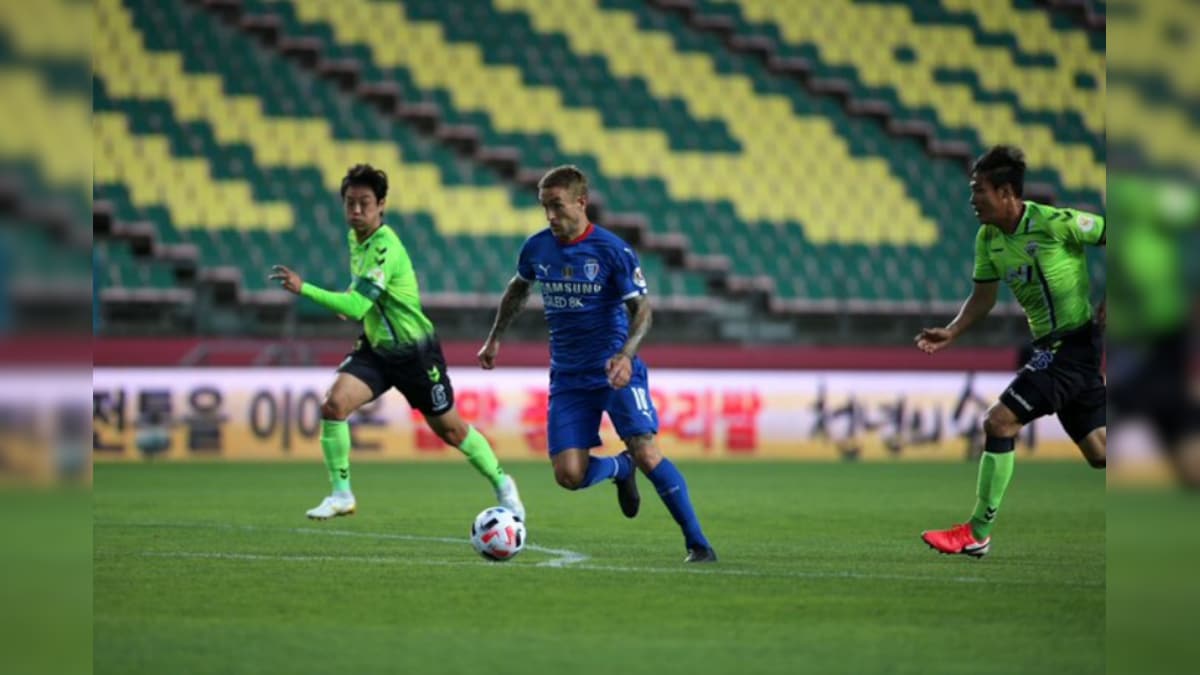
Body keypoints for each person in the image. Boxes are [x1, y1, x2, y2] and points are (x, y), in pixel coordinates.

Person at [477, 164, 716, 563]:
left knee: (648, 451)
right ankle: (620, 470)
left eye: (557, 206)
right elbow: (517, 289)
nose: (550, 216)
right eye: (544, 208)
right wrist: (495, 336)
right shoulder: (537, 248)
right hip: (569, 377)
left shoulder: (612, 250)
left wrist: (626, 355)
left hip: (615, 371)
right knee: (569, 475)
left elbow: (642, 310)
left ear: (581, 202)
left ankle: (698, 543)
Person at [269, 164, 524, 521]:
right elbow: (359, 295)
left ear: (381, 205)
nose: (356, 211)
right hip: (377, 349)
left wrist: (305, 288)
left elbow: (358, 305)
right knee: (333, 405)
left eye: (365, 204)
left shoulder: (385, 247)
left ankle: (503, 484)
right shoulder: (355, 239)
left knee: (452, 431)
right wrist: (349, 299)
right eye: (350, 203)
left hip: (416, 353)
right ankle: (341, 494)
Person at [916, 145, 1105, 558]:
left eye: (978, 190)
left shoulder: (1055, 223)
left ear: (1006, 193)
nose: (971, 200)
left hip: (1071, 346)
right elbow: (982, 298)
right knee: (1101, 453)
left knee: (999, 422)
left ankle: (977, 532)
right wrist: (951, 332)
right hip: (1054, 348)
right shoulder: (988, 239)